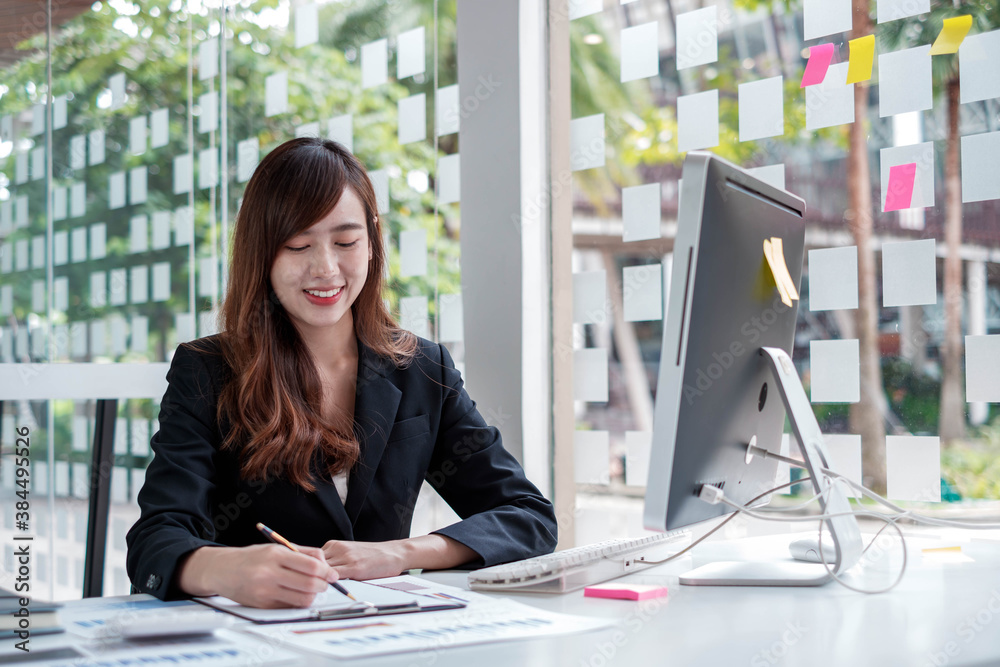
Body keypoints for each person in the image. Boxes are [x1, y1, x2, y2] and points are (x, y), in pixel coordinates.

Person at [126, 138, 557, 608]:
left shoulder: (422, 369)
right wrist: (226, 569)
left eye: (346, 241)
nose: (325, 268)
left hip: (380, 636)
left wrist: (401, 553)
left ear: (371, 244)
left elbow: (527, 517)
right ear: (262, 255)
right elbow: (155, 541)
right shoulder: (208, 371)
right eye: (298, 245)